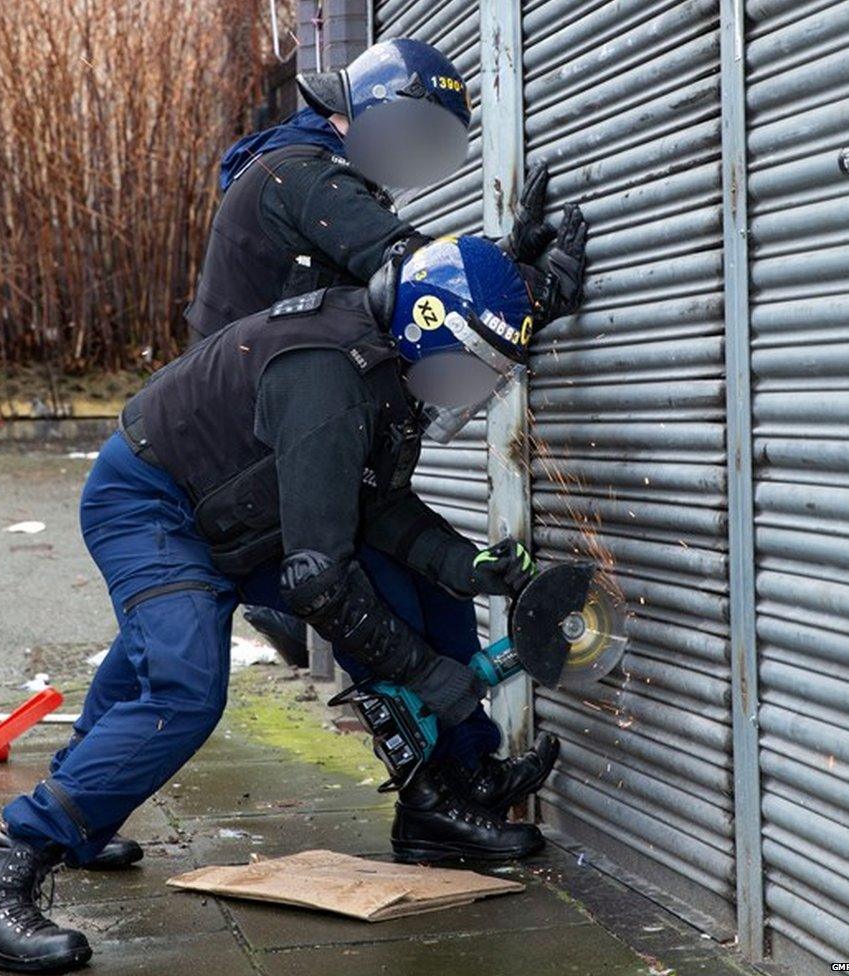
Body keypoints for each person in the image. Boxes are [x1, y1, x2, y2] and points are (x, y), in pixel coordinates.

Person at [0, 232, 587, 972]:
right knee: (181, 687)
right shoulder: (328, 375)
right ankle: (0, 878)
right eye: (473, 365)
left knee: (409, 593)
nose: (474, 388)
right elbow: (320, 580)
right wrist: (432, 678)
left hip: (247, 510)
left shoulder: (387, 361)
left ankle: (441, 799)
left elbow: (379, 507)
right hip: (157, 504)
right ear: (428, 325)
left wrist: (470, 566)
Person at [60, 37, 577, 874]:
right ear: (349, 115)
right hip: (238, 450)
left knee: (417, 596)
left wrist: (503, 274)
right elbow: (417, 275)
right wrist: (526, 288)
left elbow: (417, 293)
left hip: (271, 447)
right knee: (209, 658)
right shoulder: (303, 175)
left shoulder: (311, 178)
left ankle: (455, 781)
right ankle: (441, 791)